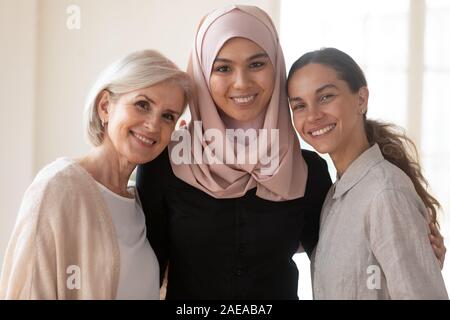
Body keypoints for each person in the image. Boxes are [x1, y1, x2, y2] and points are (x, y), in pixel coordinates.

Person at [137, 5, 446, 300]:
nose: (241, 82)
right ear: (203, 74)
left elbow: (339, 260)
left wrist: (412, 252)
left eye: (257, 64)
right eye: (223, 68)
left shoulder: (307, 170)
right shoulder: (165, 162)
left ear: (276, 67)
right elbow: (141, 271)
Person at [0, 50, 191, 299]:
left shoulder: (139, 203)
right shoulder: (59, 186)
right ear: (105, 107)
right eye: (142, 105)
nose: (154, 125)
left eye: (168, 116)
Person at [287, 47, 448, 299]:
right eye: (299, 105)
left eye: (326, 97)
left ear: (361, 99)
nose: (313, 116)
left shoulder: (385, 193)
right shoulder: (334, 197)